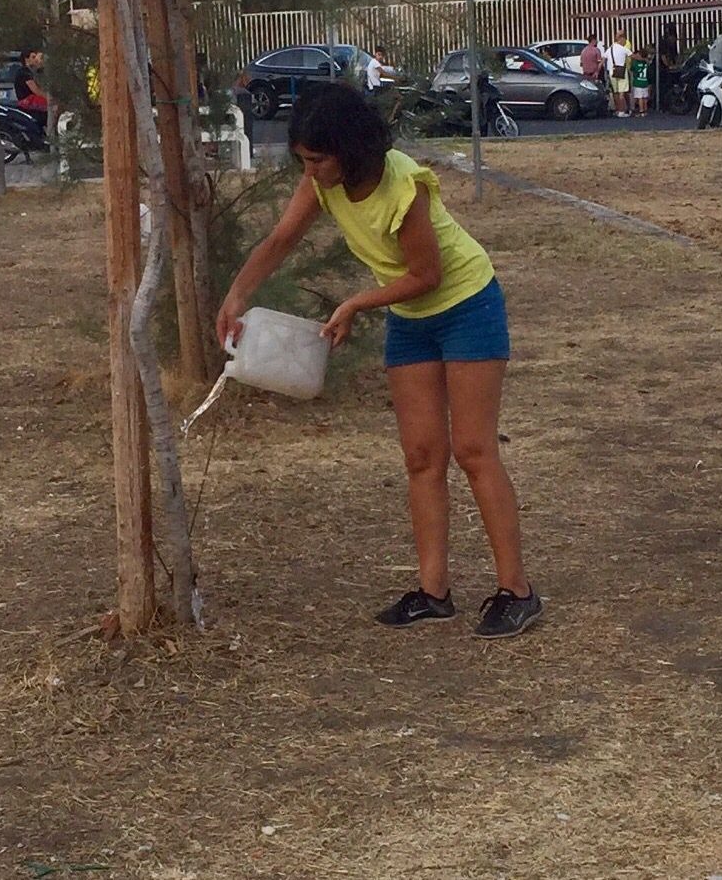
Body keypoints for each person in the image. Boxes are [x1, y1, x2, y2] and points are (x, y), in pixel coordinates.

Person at [215, 84, 542, 639]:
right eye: (302, 160)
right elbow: (281, 238)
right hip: (412, 319)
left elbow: (427, 275)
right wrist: (236, 295)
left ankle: (517, 591)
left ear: (350, 149)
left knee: (473, 449)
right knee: (421, 455)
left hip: (466, 306)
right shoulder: (324, 180)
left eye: (317, 160)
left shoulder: (402, 185)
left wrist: (356, 303)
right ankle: (433, 592)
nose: (310, 171)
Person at [12, 46, 50, 116]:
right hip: (27, 101)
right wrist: (49, 98)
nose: (36, 60)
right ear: (26, 59)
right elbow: (35, 90)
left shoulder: (31, 72)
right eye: (33, 57)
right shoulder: (24, 72)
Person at [607, 31, 632, 116]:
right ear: (622, 39)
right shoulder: (624, 48)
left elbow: (603, 59)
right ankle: (623, 111)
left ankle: (618, 110)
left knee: (616, 92)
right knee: (622, 93)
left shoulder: (610, 48)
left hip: (612, 72)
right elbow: (632, 56)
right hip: (622, 71)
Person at [630, 46, 652, 116]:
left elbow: (632, 70)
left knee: (640, 98)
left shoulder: (635, 63)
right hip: (645, 81)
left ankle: (641, 110)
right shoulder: (646, 63)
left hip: (637, 82)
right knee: (645, 97)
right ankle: (645, 110)